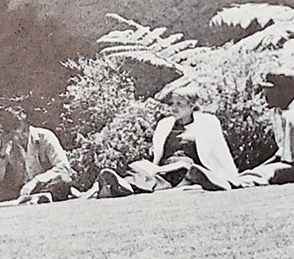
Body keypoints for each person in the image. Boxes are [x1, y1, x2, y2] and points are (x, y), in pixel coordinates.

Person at [93, 84, 238, 198]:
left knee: (184, 171)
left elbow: (221, 150)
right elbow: (159, 156)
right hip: (163, 169)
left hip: (187, 167)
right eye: (172, 104)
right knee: (139, 172)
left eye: (179, 104)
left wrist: (233, 177)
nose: (174, 108)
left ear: (192, 105)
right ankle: (122, 185)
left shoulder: (207, 123)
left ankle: (202, 178)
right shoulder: (165, 124)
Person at [0, 115, 75, 206]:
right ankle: (34, 199)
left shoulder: (45, 136)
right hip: (20, 188)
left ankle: (36, 197)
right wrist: (1, 152)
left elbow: (63, 167)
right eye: (15, 134)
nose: (21, 136)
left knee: (63, 179)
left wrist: (36, 180)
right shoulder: (5, 143)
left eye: (23, 131)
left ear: (27, 124)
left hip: (44, 183)